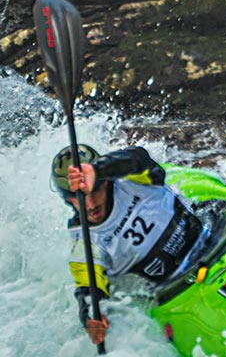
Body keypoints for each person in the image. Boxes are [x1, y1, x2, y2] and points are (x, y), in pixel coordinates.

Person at [51, 145, 211, 346]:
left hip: (209, 242)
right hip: (173, 288)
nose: (90, 205)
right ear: (68, 201)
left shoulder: (132, 180)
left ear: (106, 182)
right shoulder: (83, 242)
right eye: (78, 199)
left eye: (95, 191)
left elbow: (138, 157)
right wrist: (91, 318)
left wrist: (97, 170)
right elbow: (88, 291)